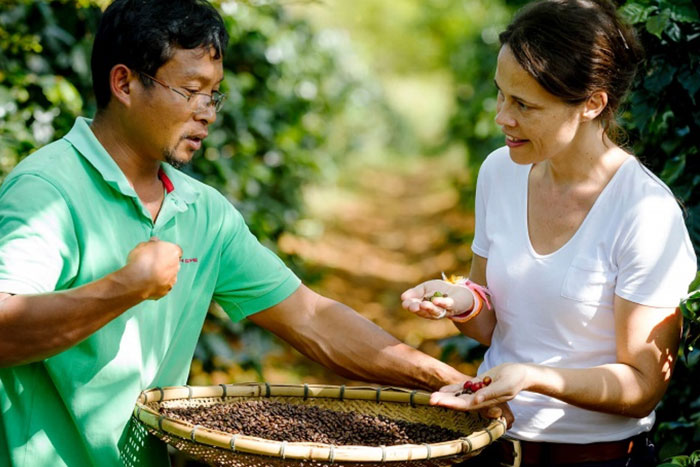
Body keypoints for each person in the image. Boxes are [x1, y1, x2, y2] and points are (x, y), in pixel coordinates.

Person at [0, 1, 508, 465]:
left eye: (213, 94)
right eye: (190, 90)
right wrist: (124, 287)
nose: (207, 111)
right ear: (124, 83)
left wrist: (448, 380)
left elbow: (313, 321)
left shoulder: (204, 212)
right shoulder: (48, 190)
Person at [401, 0, 696, 465]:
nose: (502, 117)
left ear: (592, 103)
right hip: (493, 442)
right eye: (501, 94)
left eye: (524, 104)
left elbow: (642, 386)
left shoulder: (645, 214)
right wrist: (459, 301)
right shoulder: (500, 172)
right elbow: (491, 322)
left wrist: (536, 378)